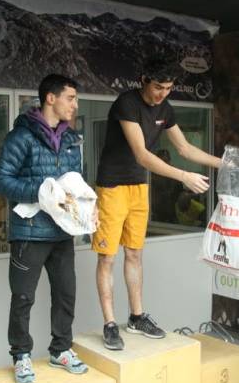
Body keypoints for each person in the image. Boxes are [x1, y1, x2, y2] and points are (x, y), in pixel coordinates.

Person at [93, 56, 221, 350]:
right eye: (158, 87)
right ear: (144, 81)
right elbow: (141, 154)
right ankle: (110, 323)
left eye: (168, 88)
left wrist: (225, 164)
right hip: (112, 186)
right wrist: (183, 176)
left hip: (139, 186)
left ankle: (137, 317)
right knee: (107, 257)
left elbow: (185, 148)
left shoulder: (165, 108)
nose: (163, 93)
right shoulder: (126, 104)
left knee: (135, 254)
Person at [0, 74, 89, 383]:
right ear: (51, 98)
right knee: (23, 297)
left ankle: (61, 349)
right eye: (70, 98)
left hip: (62, 233)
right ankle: (21, 355)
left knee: (66, 294)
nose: (75, 105)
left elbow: (76, 184)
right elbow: (0, 180)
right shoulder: (21, 137)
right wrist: (40, 191)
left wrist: (87, 209)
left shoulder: (72, 140)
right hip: (29, 233)